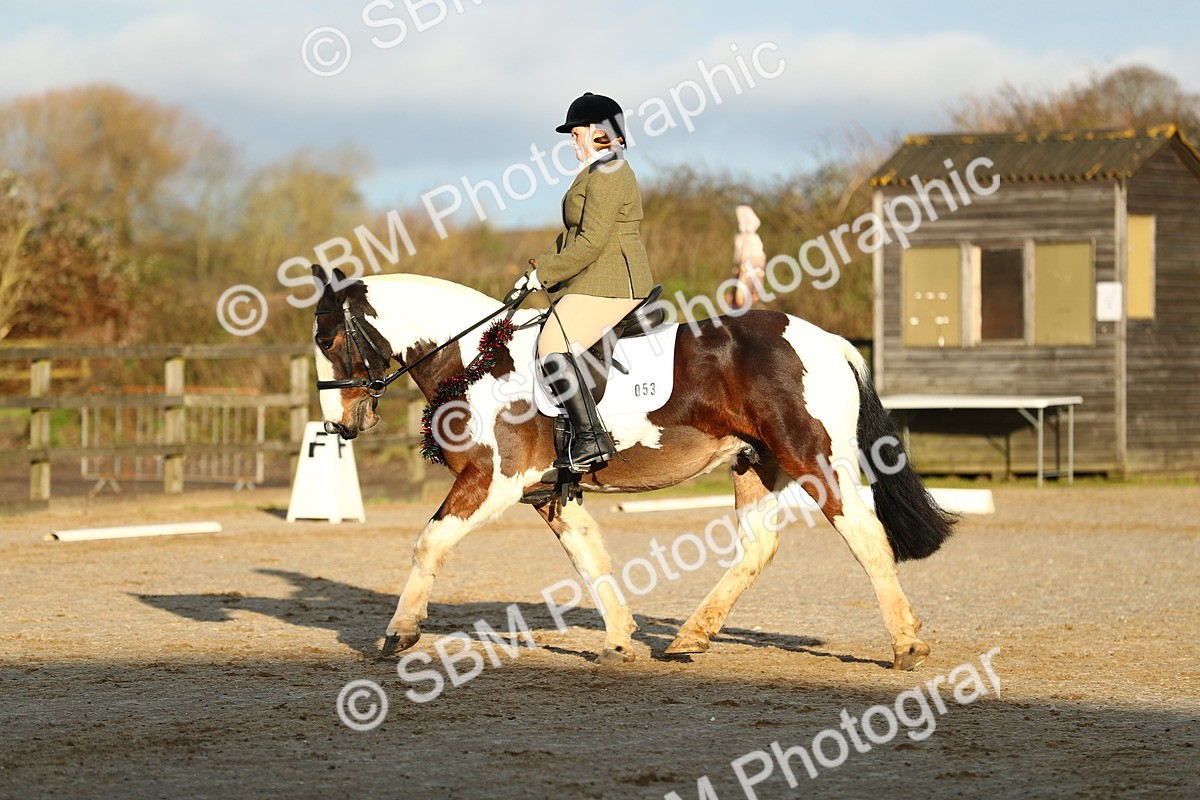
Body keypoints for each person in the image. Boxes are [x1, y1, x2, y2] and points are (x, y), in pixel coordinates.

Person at [514, 92, 655, 473]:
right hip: (598, 276)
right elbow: (574, 235)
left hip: (614, 279)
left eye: (576, 133)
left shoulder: (609, 173)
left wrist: (545, 276)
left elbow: (592, 241)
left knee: (551, 346)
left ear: (597, 132)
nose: (572, 141)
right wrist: (538, 270)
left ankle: (592, 438)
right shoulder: (596, 172)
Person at [729, 204, 766, 310]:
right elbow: (738, 256)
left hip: (750, 272)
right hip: (742, 272)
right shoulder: (740, 238)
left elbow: (759, 260)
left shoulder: (754, 239)